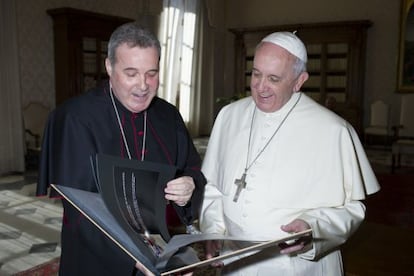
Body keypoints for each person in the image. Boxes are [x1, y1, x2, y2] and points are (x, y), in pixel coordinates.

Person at [199, 31, 380, 275]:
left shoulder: (332, 130)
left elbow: (351, 208)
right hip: (236, 262)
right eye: (256, 74)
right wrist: (213, 231)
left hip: (297, 266)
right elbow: (212, 187)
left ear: (298, 81)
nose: (260, 87)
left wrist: (312, 229)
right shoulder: (229, 116)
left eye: (273, 78)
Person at [36, 22, 206, 276]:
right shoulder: (75, 118)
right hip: (98, 260)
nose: (143, 85)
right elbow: (81, 211)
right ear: (109, 67)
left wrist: (189, 187)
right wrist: (136, 255)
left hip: (160, 254)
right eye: (131, 73)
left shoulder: (168, 116)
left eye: (152, 73)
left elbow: (192, 169)